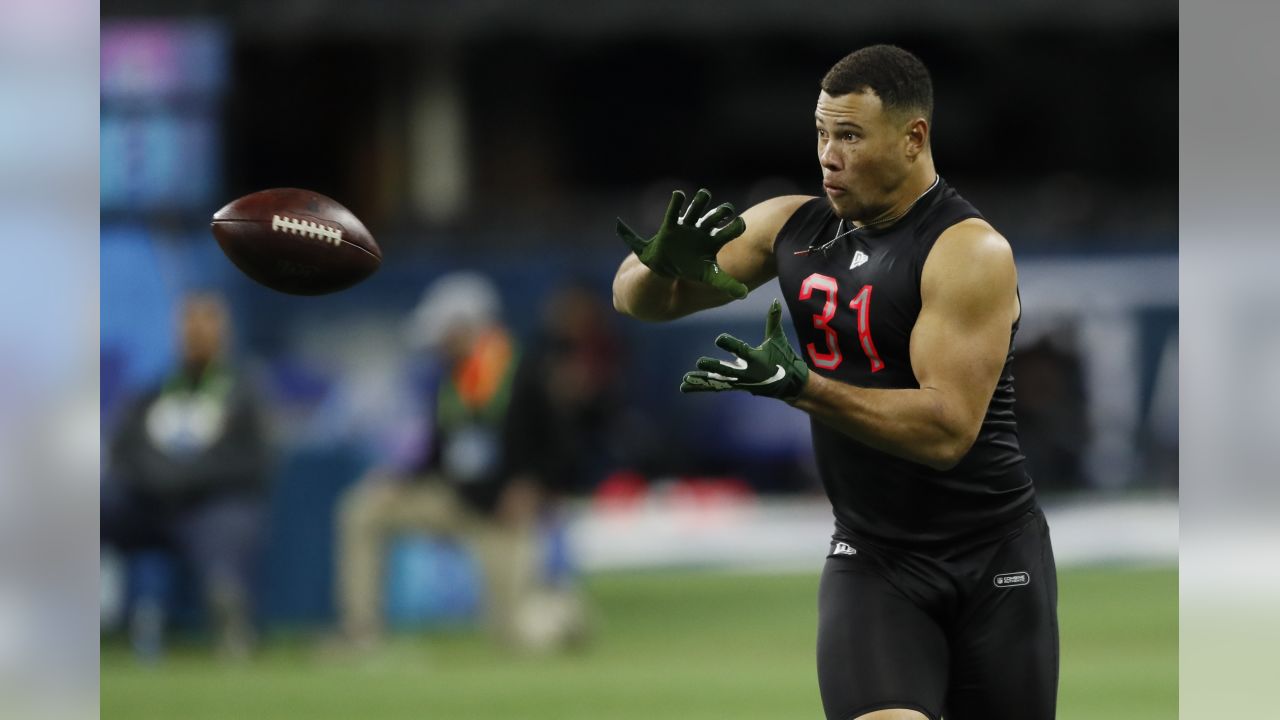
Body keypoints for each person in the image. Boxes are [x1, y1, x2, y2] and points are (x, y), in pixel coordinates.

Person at [612, 45, 1057, 720]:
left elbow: (946, 431)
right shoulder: (790, 226)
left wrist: (804, 389)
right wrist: (655, 268)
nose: (828, 154)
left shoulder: (967, 252)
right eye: (821, 133)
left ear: (914, 138)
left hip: (993, 557)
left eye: (849, 135)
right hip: (874, 558)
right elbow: (640, 300)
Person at [331, 272, 581, 654]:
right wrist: (400, 480)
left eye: (443, 332)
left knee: (514, 636)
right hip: (454, 498)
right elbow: (438, 453)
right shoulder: (451, 378)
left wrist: (533, 488)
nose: (436, 343)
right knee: (363, 509)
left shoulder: (524, 370)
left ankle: (566, 615)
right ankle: (361, 632)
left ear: (466, 326)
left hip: (504, 512)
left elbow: (562, 448)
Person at [101, 292, 270, 660]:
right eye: (190, 324)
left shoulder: (244, 392)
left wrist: (182, 476)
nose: (197, 333)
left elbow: (252, 462)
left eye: (207, 323)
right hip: (150, 503)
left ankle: (230, 618)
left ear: (224, 332)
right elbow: (125, 450)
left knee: (229, 527)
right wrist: (161, 477)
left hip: (213, 505)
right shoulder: (154, 390)